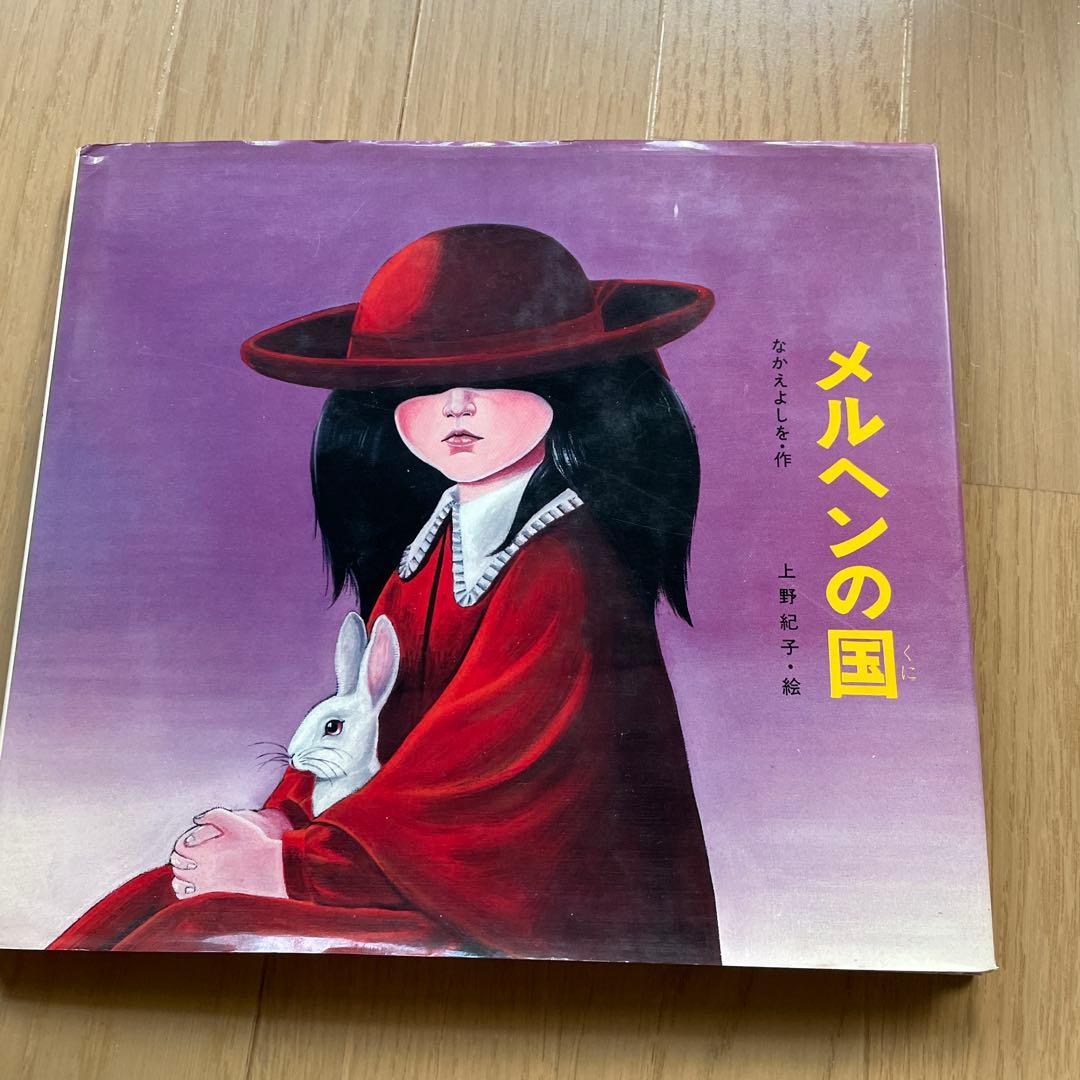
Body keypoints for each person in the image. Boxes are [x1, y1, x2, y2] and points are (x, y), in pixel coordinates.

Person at [50, 224, 721, 962]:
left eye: (496, 376)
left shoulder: (566, 564)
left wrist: (295, 868)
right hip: (420, 866)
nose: (456, 405)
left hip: (538, 907)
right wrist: (283, 820)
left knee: (204, 932)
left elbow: (484, 784)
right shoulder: (430, 547)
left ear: (569, 386)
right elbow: (368, 719)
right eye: (422, 385)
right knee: (159, 900)